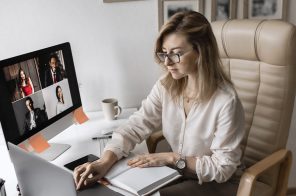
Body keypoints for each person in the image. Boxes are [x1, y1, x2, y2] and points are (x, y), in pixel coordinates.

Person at [74, 11, 245, 196]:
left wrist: (171, 158)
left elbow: (223, 169)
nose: (168, 62)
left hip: (219, 183)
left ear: (200, 51)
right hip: (178, 175)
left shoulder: (226, 101)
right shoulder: (167, 85)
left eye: (176, 54)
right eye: (164, 53)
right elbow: (136, 125)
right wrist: (104, 161)